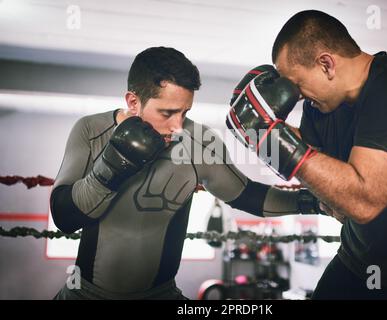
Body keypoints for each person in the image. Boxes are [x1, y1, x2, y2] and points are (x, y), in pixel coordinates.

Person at [50, 46, 326, 300]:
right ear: (133, 102)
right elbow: (64, 218)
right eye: (167, 112)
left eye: (185, 112)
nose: (178, 126)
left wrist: (315, 201)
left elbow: (246, 195)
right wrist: (111, 167)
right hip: (85, 294)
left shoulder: (199, 141)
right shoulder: (90, 130)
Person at [228, 10, 387, 299]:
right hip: (356, 262)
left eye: (296, 84)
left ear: (326, 64)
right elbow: (329, 194)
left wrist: (275, 139)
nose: (297, 96)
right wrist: (261, 138)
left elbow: (362, 201)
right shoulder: (318, 109)